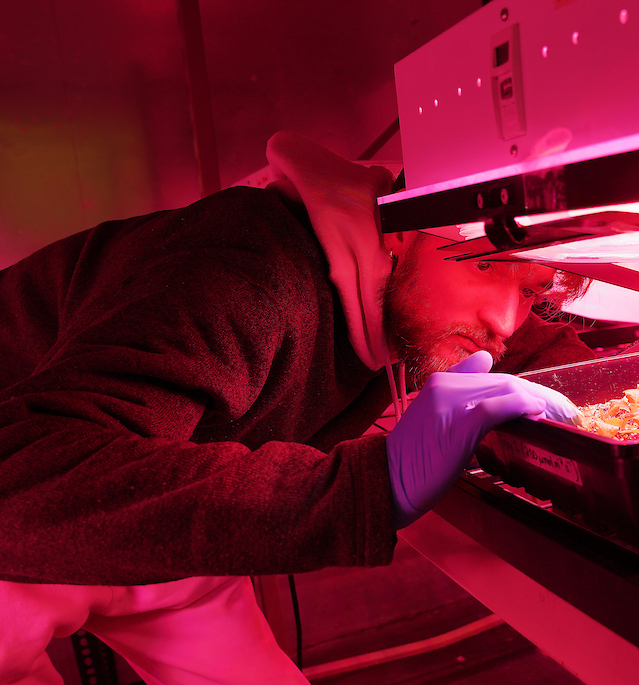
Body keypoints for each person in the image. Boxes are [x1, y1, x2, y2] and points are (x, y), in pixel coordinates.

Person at [0, 132, 594, 684]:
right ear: (400, 230)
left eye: (531, 289)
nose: (504, 320)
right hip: (33, 510)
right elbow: (24, 482)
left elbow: (547, 356)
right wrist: (370, 485)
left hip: (153, 506)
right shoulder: (244, 272)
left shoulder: (418, 295)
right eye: (484, 262)